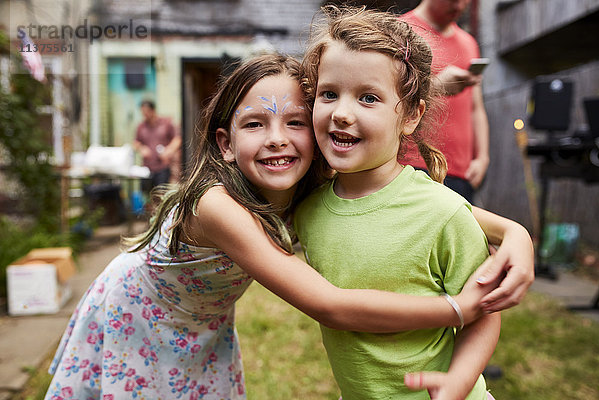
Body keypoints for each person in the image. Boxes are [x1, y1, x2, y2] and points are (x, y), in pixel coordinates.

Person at [45, 54, 529, 400]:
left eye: (295, 122)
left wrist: (514, 233)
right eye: (255, 124)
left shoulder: (304, 186)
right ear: (226, 143)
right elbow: (329, 304)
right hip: (140, 320)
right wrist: (455, 308)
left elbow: (424, 205)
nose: (278, 140)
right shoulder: (216, 205)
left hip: (202, 325)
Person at [296, 6, 500, 399]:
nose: (341, 113)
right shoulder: (308, 209)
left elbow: (484, 310)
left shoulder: (443, 212)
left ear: (409, 115)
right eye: (329, 94)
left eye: (368, 98)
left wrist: (458, 383)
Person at [399, 0, 489, 203]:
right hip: (411, 166)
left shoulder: (469, 43)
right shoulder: (400, 32)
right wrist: (436, 87)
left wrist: (482, 157)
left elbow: (476, 108)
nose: (459, 6)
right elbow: (387, 97)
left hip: (461, 173)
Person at [133, 100, 182, 193]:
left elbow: (177, 139)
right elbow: (136, 143)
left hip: (162, 166)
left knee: (161, 194)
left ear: (153, 110)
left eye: (146, 112)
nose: (145, 115)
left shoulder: (166, 124)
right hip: (147, 167)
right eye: (143, 112)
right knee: (146, 194)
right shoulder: (141, 127)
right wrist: (141, 148)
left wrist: (169, 150)